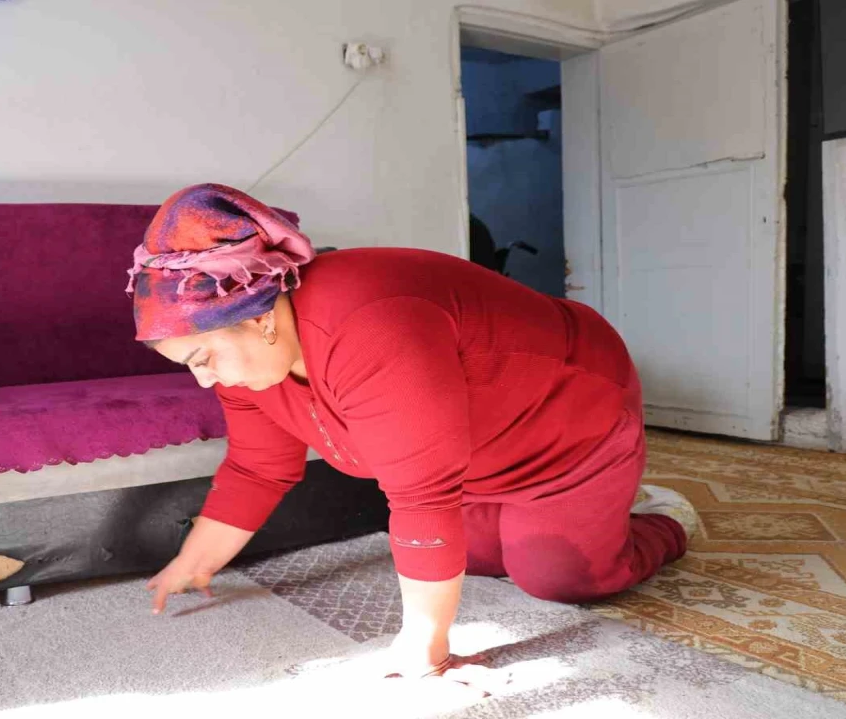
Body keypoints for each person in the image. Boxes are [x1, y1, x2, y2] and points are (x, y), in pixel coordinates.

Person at [125, 183, 699, 681]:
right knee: (473, 558)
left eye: (203, 357)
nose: (203, 380)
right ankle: (581, 514)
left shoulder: (371, 323)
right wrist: (195, 560)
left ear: (256, 317)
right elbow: (258, 467)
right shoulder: (251, 364)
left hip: (568, 425)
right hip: (476, 454)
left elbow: (422, 497)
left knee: (558, 577)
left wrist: (427, 651)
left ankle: (664, 519)